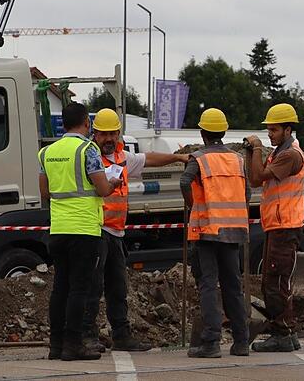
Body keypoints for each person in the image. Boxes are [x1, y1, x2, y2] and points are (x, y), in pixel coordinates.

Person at [83, 108, 190, 353]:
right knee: (92, 287)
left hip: (116, 233)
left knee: (117, 288)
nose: (109, 139)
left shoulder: (122, 158)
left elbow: (149, 158)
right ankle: (87, 335)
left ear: (119, 134)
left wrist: (178, 158)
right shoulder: (90, 158)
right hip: (97, 229)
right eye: (104, 134)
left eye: (113, 134)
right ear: (94, 134)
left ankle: (121, 336)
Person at [39, 102, 118, 361]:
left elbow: (45, 193)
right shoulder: (88, 150)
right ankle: (73, 344)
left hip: (58, 228)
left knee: (60, 287)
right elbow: (103, 189)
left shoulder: (47, 152)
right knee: (79, 289)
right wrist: (112, 182)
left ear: (63, 122)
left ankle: (56, 345)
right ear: (86, 123)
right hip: (84, 229)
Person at [180, 108, 252, 359]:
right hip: (233, 229)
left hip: (208, 230)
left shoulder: (198, 158)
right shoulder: (237, 159)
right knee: (233, 285)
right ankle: (241, 341)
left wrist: (193, 206)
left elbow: (183, 182)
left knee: (208, 284)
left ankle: (211, 342)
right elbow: (247, 193)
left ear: (203, 133)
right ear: (223, 131)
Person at [245, 103, 304, 353]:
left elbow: (258, 178)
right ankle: (287, 331)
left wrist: (256, 149)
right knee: (275, 281)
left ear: (287, 129)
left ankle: (282, 333)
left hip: (285, 225)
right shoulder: (278, 152)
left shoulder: (289, 154)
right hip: (278, 225)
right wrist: (253, 154)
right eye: (268, 130)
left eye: (274, 130)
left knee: (275, 282)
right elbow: (255, 178)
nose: (269, 134)